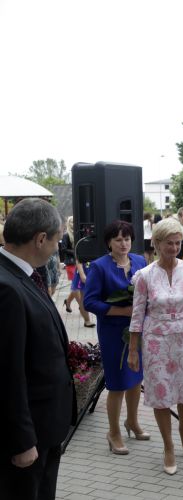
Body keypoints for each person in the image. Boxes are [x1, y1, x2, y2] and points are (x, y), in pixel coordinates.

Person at [127, 217, 183, 476]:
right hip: (156, 341)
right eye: (169, 243)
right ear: (156, 243)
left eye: (178, 243)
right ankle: (168, 446)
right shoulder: (144, 275)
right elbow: (137, 314)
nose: (174, 248)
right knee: (161, 392)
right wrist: (133, 350)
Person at [0, 198, 74, 500]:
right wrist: (21, 440)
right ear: (40, 239)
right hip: (30, 435)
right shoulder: (7, 288)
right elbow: (8, 372)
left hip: (45, 426)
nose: (57, 248)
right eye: (57, 240)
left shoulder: (23, 274)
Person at [83, 220, 150, 456]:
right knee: (118, 382)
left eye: (127, 239)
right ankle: (113, 432)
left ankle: (132, 421)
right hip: (112, 332)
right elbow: (89, 302)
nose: (123, 244)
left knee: (136, 378)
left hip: (137, 330)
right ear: (109, 242)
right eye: (118, 239)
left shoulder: (140, 261)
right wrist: (123, 311)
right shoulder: (99, 266)